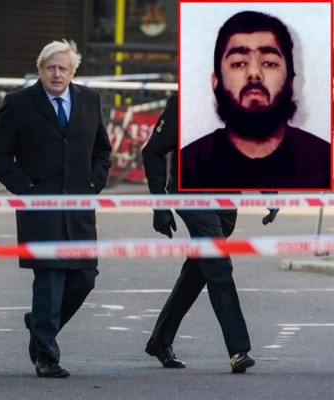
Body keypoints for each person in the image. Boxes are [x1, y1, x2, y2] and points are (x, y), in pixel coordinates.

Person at [0, 39, 111, 378]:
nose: (57, 73)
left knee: (85, 278)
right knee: (50, 280)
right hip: (40, 208)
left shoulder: (89, 99)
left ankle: (41, 325)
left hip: (79, 208)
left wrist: (93, 184)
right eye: (50, 67)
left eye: (63, 68)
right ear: (40, 69)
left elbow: (102, 149)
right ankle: (46, 356)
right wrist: (27, 189)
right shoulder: (18, 103)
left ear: (73, 71)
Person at [142, 92, 278, 373]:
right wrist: (160, 206)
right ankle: (238, 349)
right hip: (191, 196)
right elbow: (152, 151)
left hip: (226, 200)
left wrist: (270, 191)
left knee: (199, 270)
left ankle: (160, 340)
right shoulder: (183, 102)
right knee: (218, 266)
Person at [180, 10, 331, 190]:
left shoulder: (325, 163)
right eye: (238, 63)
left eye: (268, 63)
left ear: (290, 80)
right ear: (216, 81)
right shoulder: (185, 167)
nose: (254, 74)